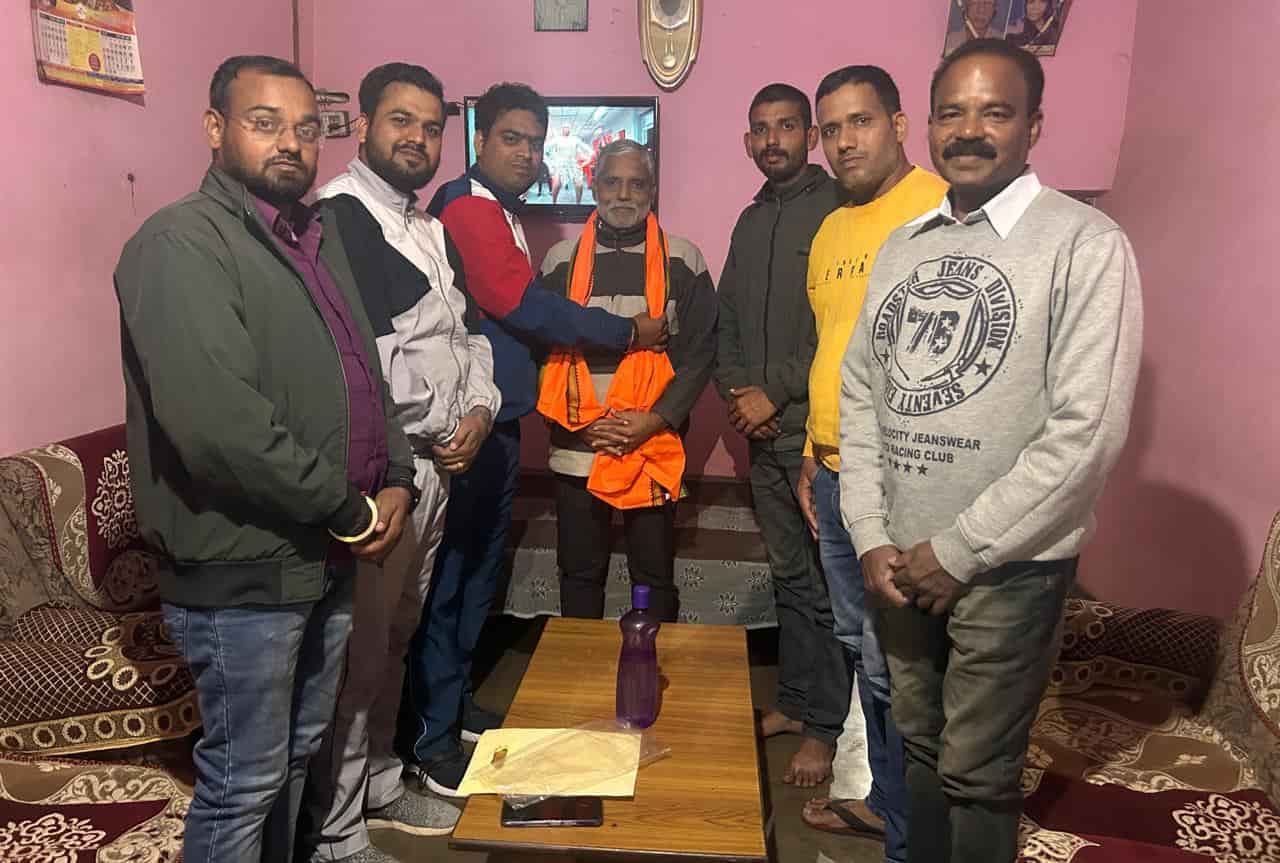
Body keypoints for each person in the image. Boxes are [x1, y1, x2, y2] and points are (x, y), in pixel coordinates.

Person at [839, 40, 1142, 863]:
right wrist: (869, 532)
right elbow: (862, 395)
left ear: (1034, 126)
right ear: (929, 125)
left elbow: (1087, 432)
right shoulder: (905, 245)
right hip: (900, 562)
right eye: (953, 112)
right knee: (919, 746)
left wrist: (960, 550)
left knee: (977, 773)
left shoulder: (1085, 242)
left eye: (995, 112)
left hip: (1008, 567)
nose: (969, 130)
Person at [114, 55, 415, 863]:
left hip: (322, 556)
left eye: (305, 128)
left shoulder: (311, 237)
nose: (290, 142)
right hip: (243, 569)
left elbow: (364, 370)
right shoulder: (180, 243)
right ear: (215, 128)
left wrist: (397, 475)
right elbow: (220, 427)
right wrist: (349, 508)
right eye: (265, 122)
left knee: (294, 757)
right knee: (244, 781)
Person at [400, 82, 668, 798]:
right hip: (470, 427)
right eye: (511, 138)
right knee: (452, 583)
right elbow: (524, 306)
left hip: (500, 421)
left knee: (475, 581)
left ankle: (453, 710)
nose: (525, 153)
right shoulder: (469, 206)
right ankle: (429, 740)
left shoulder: (500, 211)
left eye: (535, 141)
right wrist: (627, 331)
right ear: (480, 140)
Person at [297, 63, 501, 863]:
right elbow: (369, 361)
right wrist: (446, 424)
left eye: (430, 126)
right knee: (360, 649)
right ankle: (335, 828)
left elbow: (471, 337)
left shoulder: (430, 227)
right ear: (364, 126)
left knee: (400, 632)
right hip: (389, 468)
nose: (417, 138)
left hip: (440, 461)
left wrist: (479, 413)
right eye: (400, 121)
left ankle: (380, 780)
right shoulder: (340, 217)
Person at [794, 66, 948, 863]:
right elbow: (833, 352)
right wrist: (811, 454)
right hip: (832, 472)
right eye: (831, 128)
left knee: (900, 671)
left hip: (898, 481)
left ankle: (908, 841)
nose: (844, 141)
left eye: (860, 122)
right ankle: (887, 808)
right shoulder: (830, 229)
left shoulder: (939, 210)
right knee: (861, 650)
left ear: (899, 123)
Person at [714, 82, 851, 789]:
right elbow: (727, 321)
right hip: (760, 435)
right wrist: (739, 394)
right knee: (790, 578)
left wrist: (777, 391)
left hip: (815, 441)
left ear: (810, 136)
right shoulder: (749, 220)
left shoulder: (837, 211)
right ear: (748, 141)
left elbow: (840, 328)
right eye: (761, 129)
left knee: (826, 585)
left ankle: (826, 725)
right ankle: (796, 703)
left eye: (787, 126)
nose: (773, 140)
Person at [539, 138, 717, 622]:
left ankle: (651, 667)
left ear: (652, 190)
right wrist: (584, 425)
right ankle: (581, 670)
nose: (623, 194)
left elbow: (701, 351)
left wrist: (654, 421)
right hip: (578, 447)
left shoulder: (683, 259)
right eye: (612, 182)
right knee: (580, 574)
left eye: (636, 184)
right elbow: (540, 349)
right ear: (594, 185)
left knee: (653, 578)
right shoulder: (559, 260)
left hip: (651, 447)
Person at [544, 122, 593, 204]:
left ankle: (578, 204)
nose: (566, 129)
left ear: (570, 129)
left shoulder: (575, 139)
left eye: (568, 128)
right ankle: (553, 203)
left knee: (579, 185)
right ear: (562, 129)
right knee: (557, 185)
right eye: (565, 127)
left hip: (573, 164)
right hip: (560, 164)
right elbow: (545, 149)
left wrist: (588, 161)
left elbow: (588, 150)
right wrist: (550, 165)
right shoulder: (557, 139)